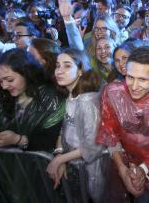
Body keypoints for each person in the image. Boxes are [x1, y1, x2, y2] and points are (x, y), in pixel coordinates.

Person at [96, 46, 149, 202]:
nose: (134, 87)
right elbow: (109, 132)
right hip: (118, 157)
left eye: (142, 79)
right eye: (130, 77)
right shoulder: (113, 93)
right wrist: (122, 169)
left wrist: (143, 169)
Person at [46, 49, 106, 202]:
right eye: (58, 66)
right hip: (74, 166)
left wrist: (59, 160)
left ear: (80, 71)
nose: (59, 71)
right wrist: (60, 154)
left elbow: (93, 146)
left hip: (90, 169)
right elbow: (63, 130)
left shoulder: (87, 101)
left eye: (67, 66)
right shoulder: (68, 96)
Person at [0, 48, 64, 151]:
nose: (4, 86)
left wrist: (18, 140)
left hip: (44, 165)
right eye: (0, 81)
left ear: (27, 74)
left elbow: (51, 140)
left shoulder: (52, 98)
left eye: (10, 80)